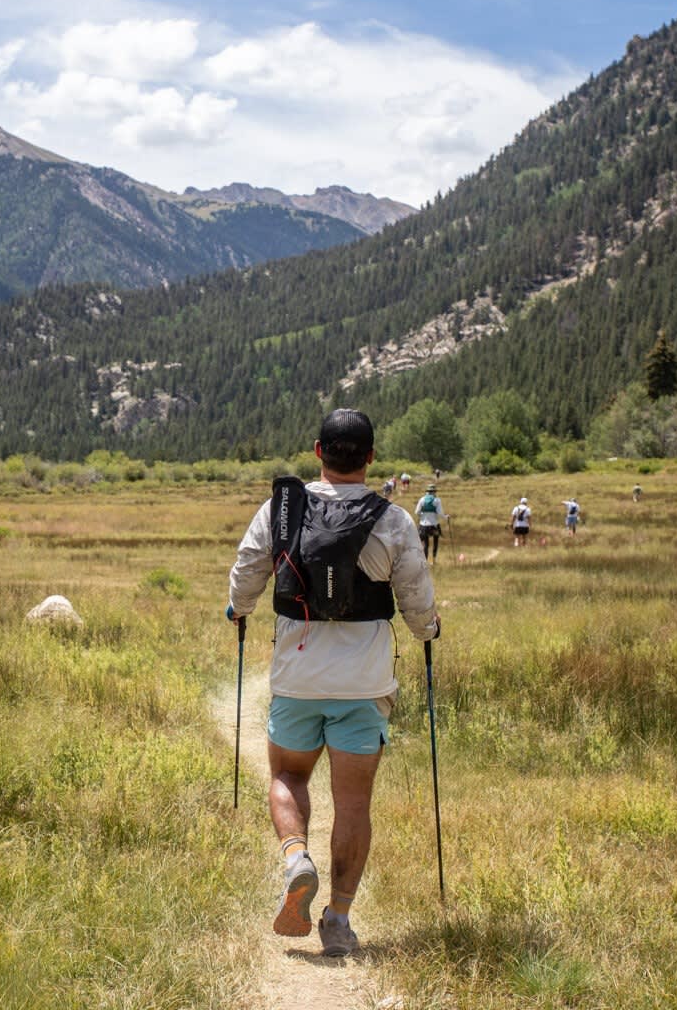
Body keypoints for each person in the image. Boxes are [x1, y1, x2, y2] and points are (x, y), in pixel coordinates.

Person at [226, 409, 441, 959]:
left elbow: (249, 568)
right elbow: (416, 595)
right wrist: (427, 630)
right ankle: (339, 920)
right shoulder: (391, 519)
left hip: (298, 676)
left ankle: (296, 857)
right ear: (371, 457)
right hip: (364, 682)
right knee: (353, 802)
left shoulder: (281, 510)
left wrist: (239, 608)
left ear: (318, 450)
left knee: (286, 776)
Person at [415, 484, 444, 561]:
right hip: (434, 525)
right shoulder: (437, 500)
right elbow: (440, 513)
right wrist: (446, 517)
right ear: (434, 492)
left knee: (426, 544)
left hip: (424, 525)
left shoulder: (422, 499)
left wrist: (422, 515)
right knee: (435, 542)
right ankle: (434, 560)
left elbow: (417, 512)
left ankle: (425, 561)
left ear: (427, 491)